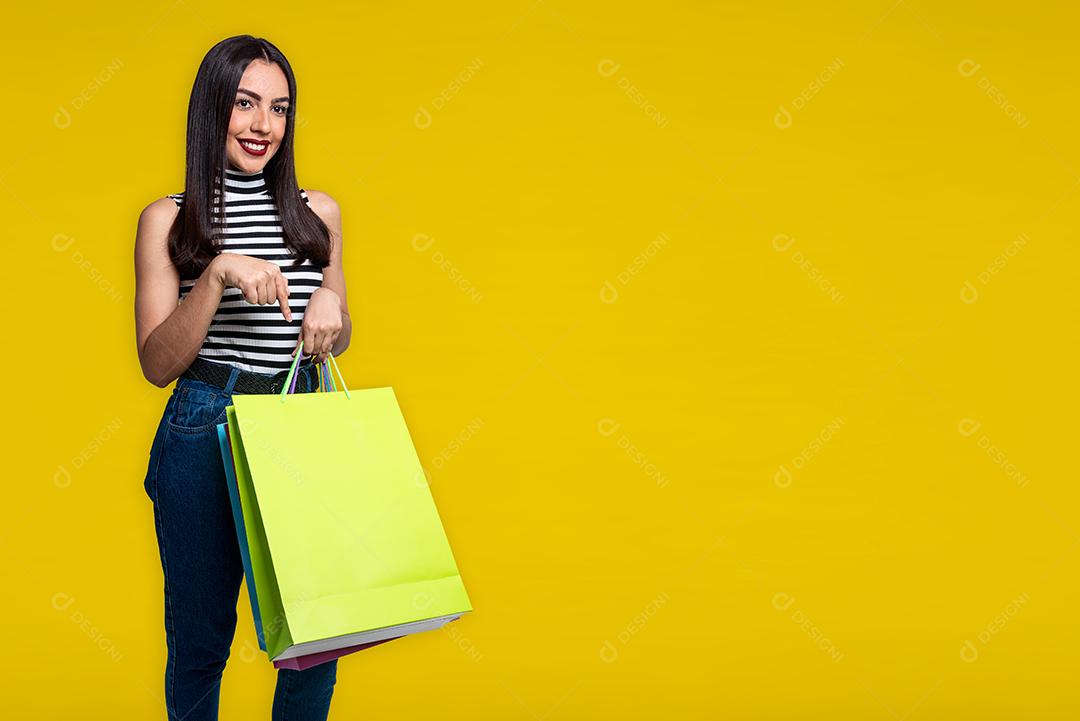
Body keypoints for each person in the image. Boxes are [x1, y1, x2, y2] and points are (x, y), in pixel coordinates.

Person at [134, 35, 349, 721]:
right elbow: (157, 361)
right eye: (245, 104)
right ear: (212, 109)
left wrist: (330, 304)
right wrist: (219, 273)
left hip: (300, 420)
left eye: (279, 109)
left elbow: (338, 331)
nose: (263, 125)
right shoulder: (168, 219)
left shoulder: (320, 212)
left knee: (316, 638)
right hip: (206, 423)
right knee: (200, 643)